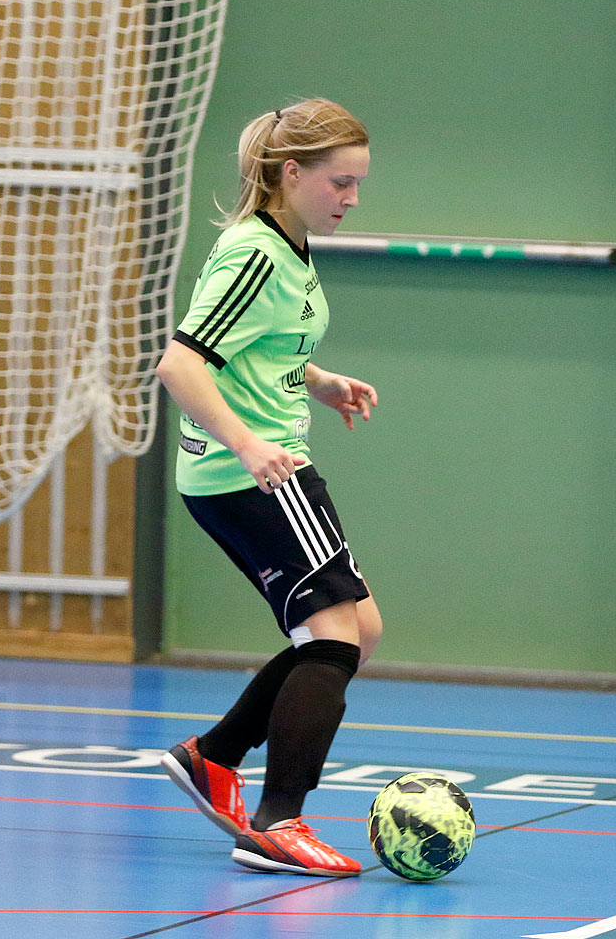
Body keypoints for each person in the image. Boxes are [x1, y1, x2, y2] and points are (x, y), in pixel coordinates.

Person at [156, 98, 381, 877]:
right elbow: (181, 365)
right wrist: (250, 444)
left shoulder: (292, 244)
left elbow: (256, 345)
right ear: (292, 174)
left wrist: (315, 379)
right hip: (252, 471)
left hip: (260, 463)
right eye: (340, 183)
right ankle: (278, 821)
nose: (351, 198)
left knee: (359, 628)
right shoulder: (253, 252)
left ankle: (214, 756)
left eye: (357, 184)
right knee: (335, 637)